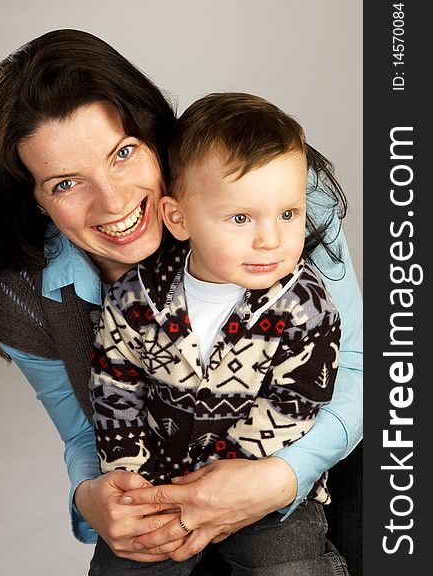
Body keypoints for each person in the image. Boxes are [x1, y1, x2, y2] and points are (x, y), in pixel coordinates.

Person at [0, 29, 362, 574]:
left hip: (308, 452)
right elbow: (87, 430)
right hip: (158, 475)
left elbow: (356, 369)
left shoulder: (269, 194)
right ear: (35, 200)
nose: (112, 202)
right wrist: (92, 496)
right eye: (66, 183)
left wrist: (276, 477)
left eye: (123, 152)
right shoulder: (27, 295)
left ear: (154, 136)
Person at [89, 92, 346, 574]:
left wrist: (227, 473)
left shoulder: (304, 306)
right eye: (241, 218)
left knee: (285, 566)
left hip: (260, 482)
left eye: (287, 214)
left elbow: (297, 400)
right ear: (178, 219)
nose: (270, 238)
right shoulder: (137, 297)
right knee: (130, 563)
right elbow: (114, 379)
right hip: (156, 478)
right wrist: (125, 467)